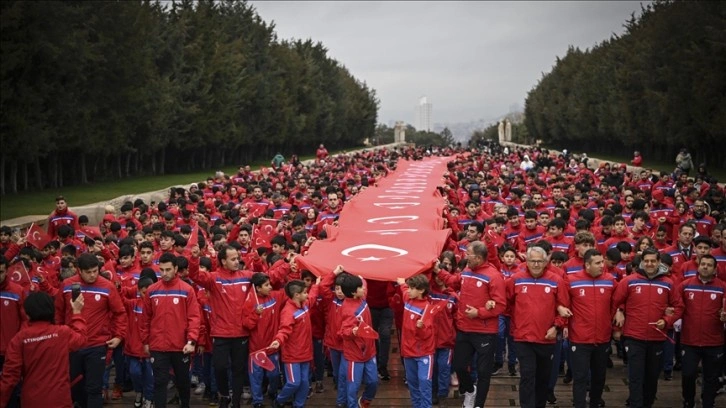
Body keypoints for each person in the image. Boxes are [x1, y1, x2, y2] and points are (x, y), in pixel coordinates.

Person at [611, 248, 684, 408]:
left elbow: (679, 307)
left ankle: (648, 404)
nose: (650, 264)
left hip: (657, 337)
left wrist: (666, 320)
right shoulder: (629, 281)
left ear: (659, 262)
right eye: (647, 261)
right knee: (635, 376)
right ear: (642, 262)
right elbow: (615, 301)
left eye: (653, 261)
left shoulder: (668, 283)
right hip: (633, 336)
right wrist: (620, 311)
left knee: (652, 377)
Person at [436, 241, 505, 408]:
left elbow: (501, 305)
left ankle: (478, 404)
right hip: (464, 329)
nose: (466, 256)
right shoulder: (467, 270)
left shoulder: (493, 276)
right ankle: (469, 390)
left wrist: (479, 313)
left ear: (479, 257)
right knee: (459, 366)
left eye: (469, 254)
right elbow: (454, 281)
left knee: (483, 372)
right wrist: (439, 271)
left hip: (485, 331)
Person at [55, 252, 127, 408]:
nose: (93, 275)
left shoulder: (107, 286)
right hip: (72, 345)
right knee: (75, 387)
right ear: (79, 270)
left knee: (94, 388)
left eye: (95, 271)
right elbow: (58, 313)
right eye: (88, 272)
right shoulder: (67, 285)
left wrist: (119, 336)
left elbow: (120, 313)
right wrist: (58, 337)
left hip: (97, 345)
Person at [188, 245, 254, 408]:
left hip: (241, 333)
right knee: (220, 367)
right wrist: (194, 258)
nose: (237, 261)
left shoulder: (246, 276)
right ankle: (224, 394)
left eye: (237, 258)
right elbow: (194, 275)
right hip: (221, 334)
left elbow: (268, 278)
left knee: (239, 369)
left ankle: (236, 401)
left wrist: (289, 262)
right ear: (223, 261)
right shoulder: (213, 278)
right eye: (233, 259)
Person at [506, 246, 568, 408]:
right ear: (526, 261)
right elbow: (507, 302)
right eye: (532, 261)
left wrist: (556, 327)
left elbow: (564, 308)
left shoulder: (556, 280)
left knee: (542, 377)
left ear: (546, 262)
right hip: (523, 337)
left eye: (539, 261)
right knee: (527, 375)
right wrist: (518, 320)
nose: (535, 264)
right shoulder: (516, 279)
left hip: (547, 338)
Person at [0, 291, 86, 408]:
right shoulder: (62, 333)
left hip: (32, 400)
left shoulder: (19, 339)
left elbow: (10, 377)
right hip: (59, 400)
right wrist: (77, 313)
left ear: (28, 314)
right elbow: (81, 339)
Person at [558, 249, 617, 408]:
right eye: (598, 263)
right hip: (580, 338)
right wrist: (563, 325)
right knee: (580, 377)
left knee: (599, 377)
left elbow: (618, 302)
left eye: (602, 262)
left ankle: (595, 403)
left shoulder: (610, 280)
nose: (602, 265)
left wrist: (619, 313)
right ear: (587, 265)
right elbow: (563, 304)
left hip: (603, 337)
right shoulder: (571, 281)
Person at [141, 252, 201, 408]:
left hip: (181, 346)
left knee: (182, 381)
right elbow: (145, 319)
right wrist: (145, 341)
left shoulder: (187, 290)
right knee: (160, 382)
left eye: (168, 269)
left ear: (175, 268)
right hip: (158, 346)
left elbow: (194, 318)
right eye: (161, 270)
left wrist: (191, 341)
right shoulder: (152, 291)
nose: (164, 273)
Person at [677, 254, 726, 408]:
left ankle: (708, 402)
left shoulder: (722, 287)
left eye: (709, 265)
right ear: (698, 266)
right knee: (688, 374)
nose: (705, 267)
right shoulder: (685, 285)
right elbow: (676, 306)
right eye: (702, 264)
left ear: (714, 268)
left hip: (714, 341)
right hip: (689, 340)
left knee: (711, 377)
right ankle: (688, 401)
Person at [268, 279, 319, 408]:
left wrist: (318, 283)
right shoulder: (288, 312)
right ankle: (279, 401)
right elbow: (284, 329)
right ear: (297, 295)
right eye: (304, 292)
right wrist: (278, 340)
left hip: (305, 353)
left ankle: (299, 405)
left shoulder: (305, 305)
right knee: (293, 382)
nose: (307, 294)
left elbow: (313, 295)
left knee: (304, 383)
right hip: (292, 355)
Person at [338, 273, 378, 408]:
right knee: (353, 387)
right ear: (354, 292)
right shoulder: (349, 310)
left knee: (373, 382)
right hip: (355, 354)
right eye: (361, 287)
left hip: (369, 351)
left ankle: (365, 400)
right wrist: (352, 332)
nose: (364, 288)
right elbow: (343, 331)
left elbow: (363, 282)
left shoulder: (361, 298)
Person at [396, 275, 435, 408]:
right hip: (408, 352)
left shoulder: (427, 308)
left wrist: (421, 327)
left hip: (424, 353)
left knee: (424, 382)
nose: (408, 290)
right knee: (412, 383)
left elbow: (427, 334)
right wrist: (402, 283)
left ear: (421, 290)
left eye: (412, 288)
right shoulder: (408, 299)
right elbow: (403, 289)